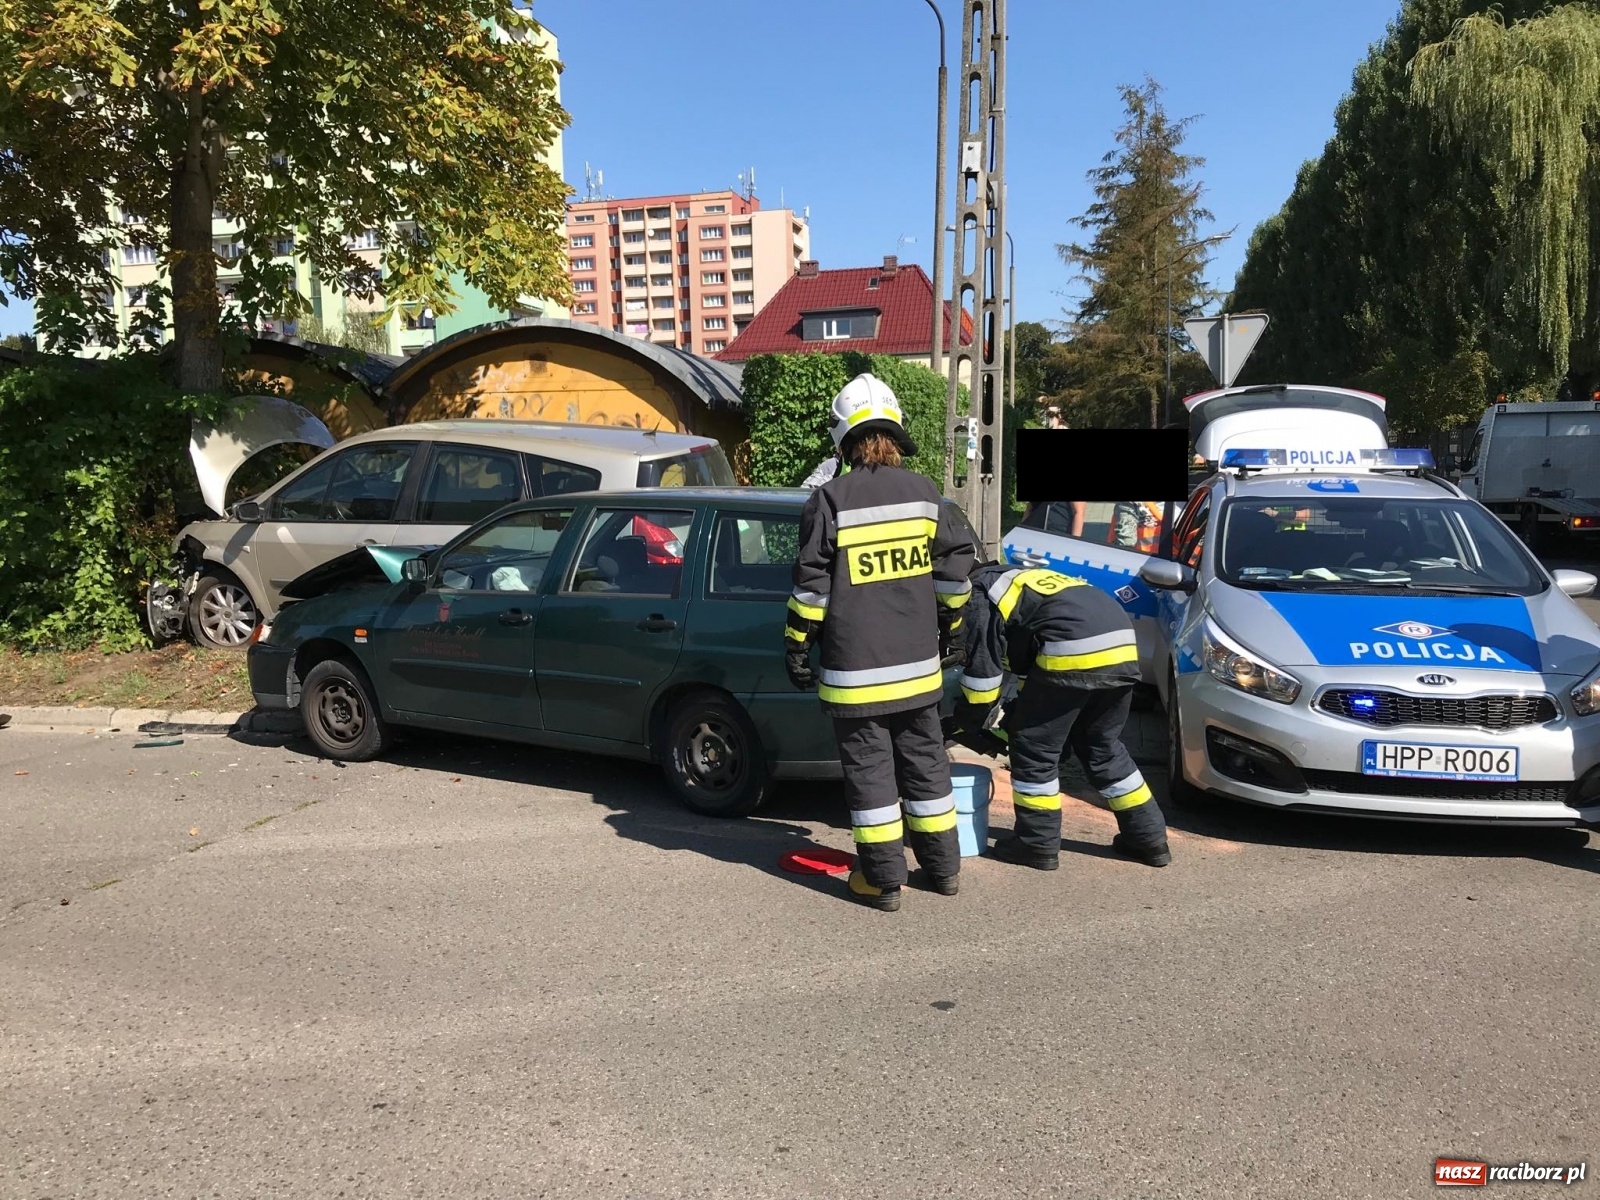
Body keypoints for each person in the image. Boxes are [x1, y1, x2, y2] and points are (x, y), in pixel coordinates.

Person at [785, 373, 978, 911]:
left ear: (843, 439)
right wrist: (952, 629)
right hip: (918, 669)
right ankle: (943, 872)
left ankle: (883, 881)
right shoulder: (924, 494)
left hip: (855, 675)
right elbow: (956, 571)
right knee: (927, 767)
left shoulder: (830, 500)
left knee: (871, 777)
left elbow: (810, 590)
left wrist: (798, 647)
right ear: (896, 433)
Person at [956, 561, 1172, 871]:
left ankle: (1036, 844)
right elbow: (1036, 657)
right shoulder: (1023, 579)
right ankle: (1148, 838)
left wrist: (969, 719)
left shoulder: (979, 593)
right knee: (1102, 746)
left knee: (1034, 749)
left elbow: (982, 681)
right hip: (1122, 646)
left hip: (1072, 649)